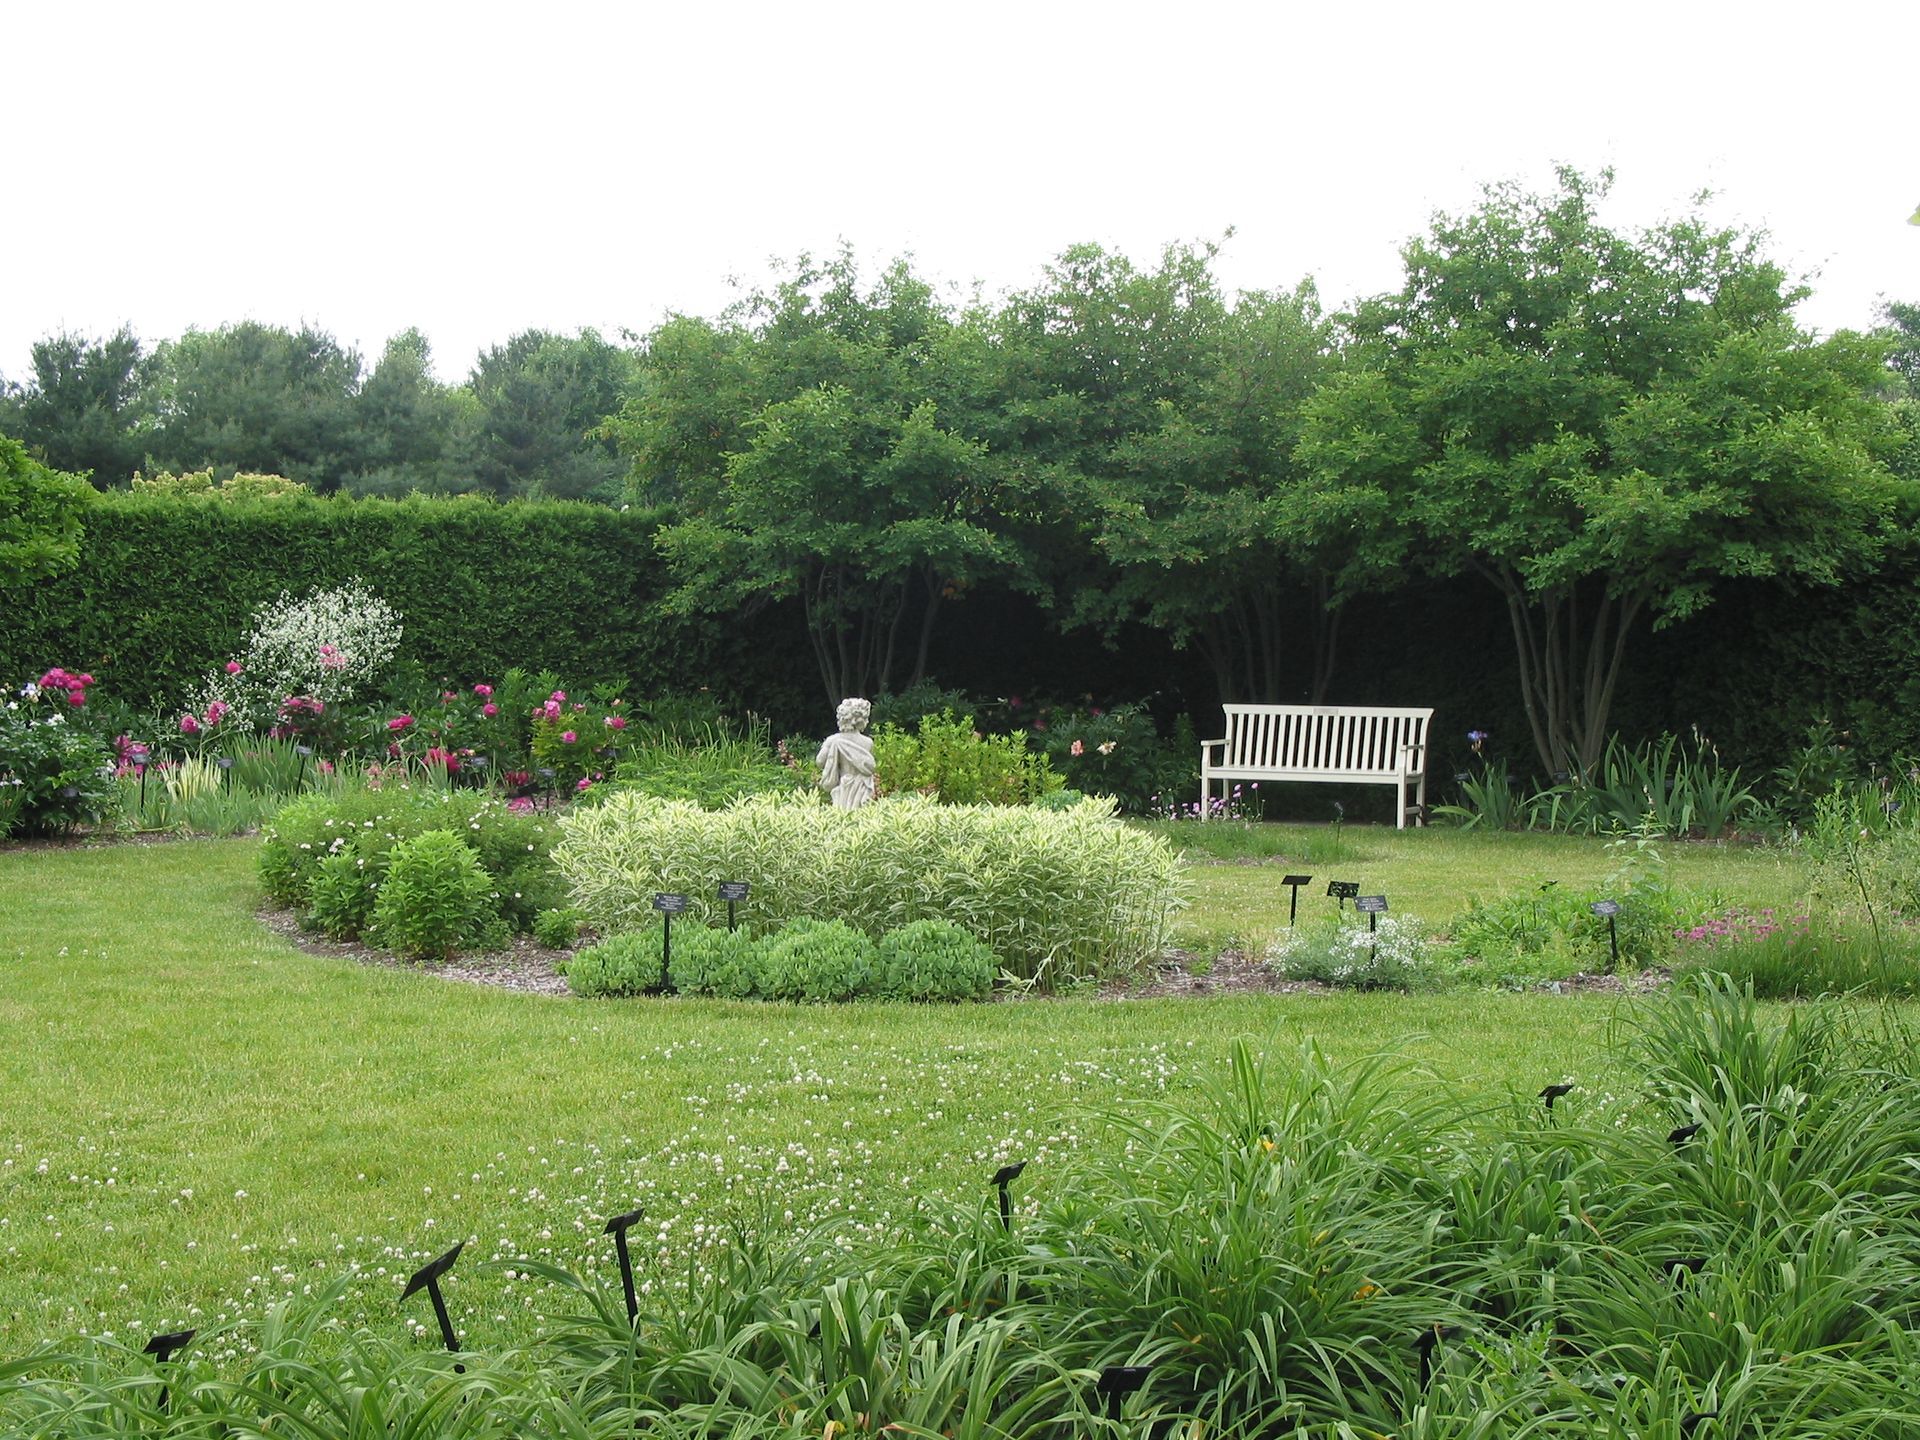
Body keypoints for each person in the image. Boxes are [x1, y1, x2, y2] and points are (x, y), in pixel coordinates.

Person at [816, 697, 876, 809]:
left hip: (842, 784)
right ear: (860, 719)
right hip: (861, 787)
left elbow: (819, 761)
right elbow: (868, 766)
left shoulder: (832, 740)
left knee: (841, 815)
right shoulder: (868, 742)